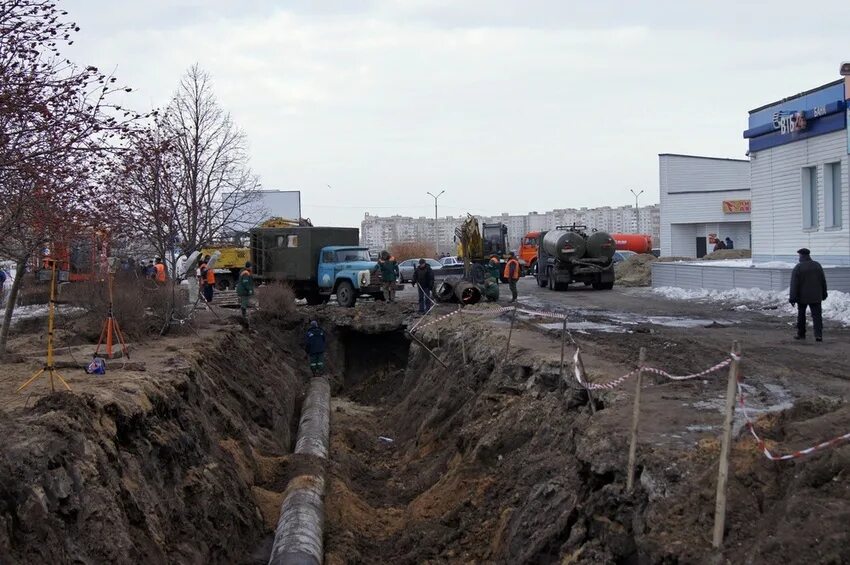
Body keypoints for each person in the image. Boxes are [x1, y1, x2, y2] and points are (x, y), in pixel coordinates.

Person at [789, 248, 828, 342]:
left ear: (802, 255)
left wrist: (792, 298)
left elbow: (794, 284)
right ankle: (818, 335)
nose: (799, 257)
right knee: (817, 316)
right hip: (816, 296)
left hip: (802, 297)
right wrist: (824, 293)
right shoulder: (817, 265)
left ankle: (801, 334)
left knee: (801, 315)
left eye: (799, 255)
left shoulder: (798, 267)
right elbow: (823, 281)